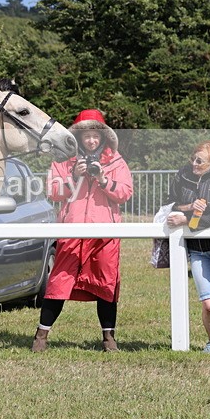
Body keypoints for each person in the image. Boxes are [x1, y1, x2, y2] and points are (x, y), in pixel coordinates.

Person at [32, 109, 133, 352]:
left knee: (106, 284)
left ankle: (109, 338)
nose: (91, 141)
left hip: (104, 234)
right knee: (58, 282)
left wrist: (103, 179)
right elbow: (53, 192)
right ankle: (41, 336)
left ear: (103, 137)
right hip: (71, 230)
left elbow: (125, 193)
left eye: (95, 136)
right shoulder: (63, 160)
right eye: (86, 136)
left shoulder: (116, 161)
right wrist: (73, 177)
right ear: (77, 137)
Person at [166, 141, 210, 354]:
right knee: (208, 303)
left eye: (200, 161)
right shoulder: (183, 174)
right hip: (196, 249)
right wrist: (189, 207)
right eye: (193, 159)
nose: (194, 164)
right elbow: (171, 204)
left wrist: (186, 220)